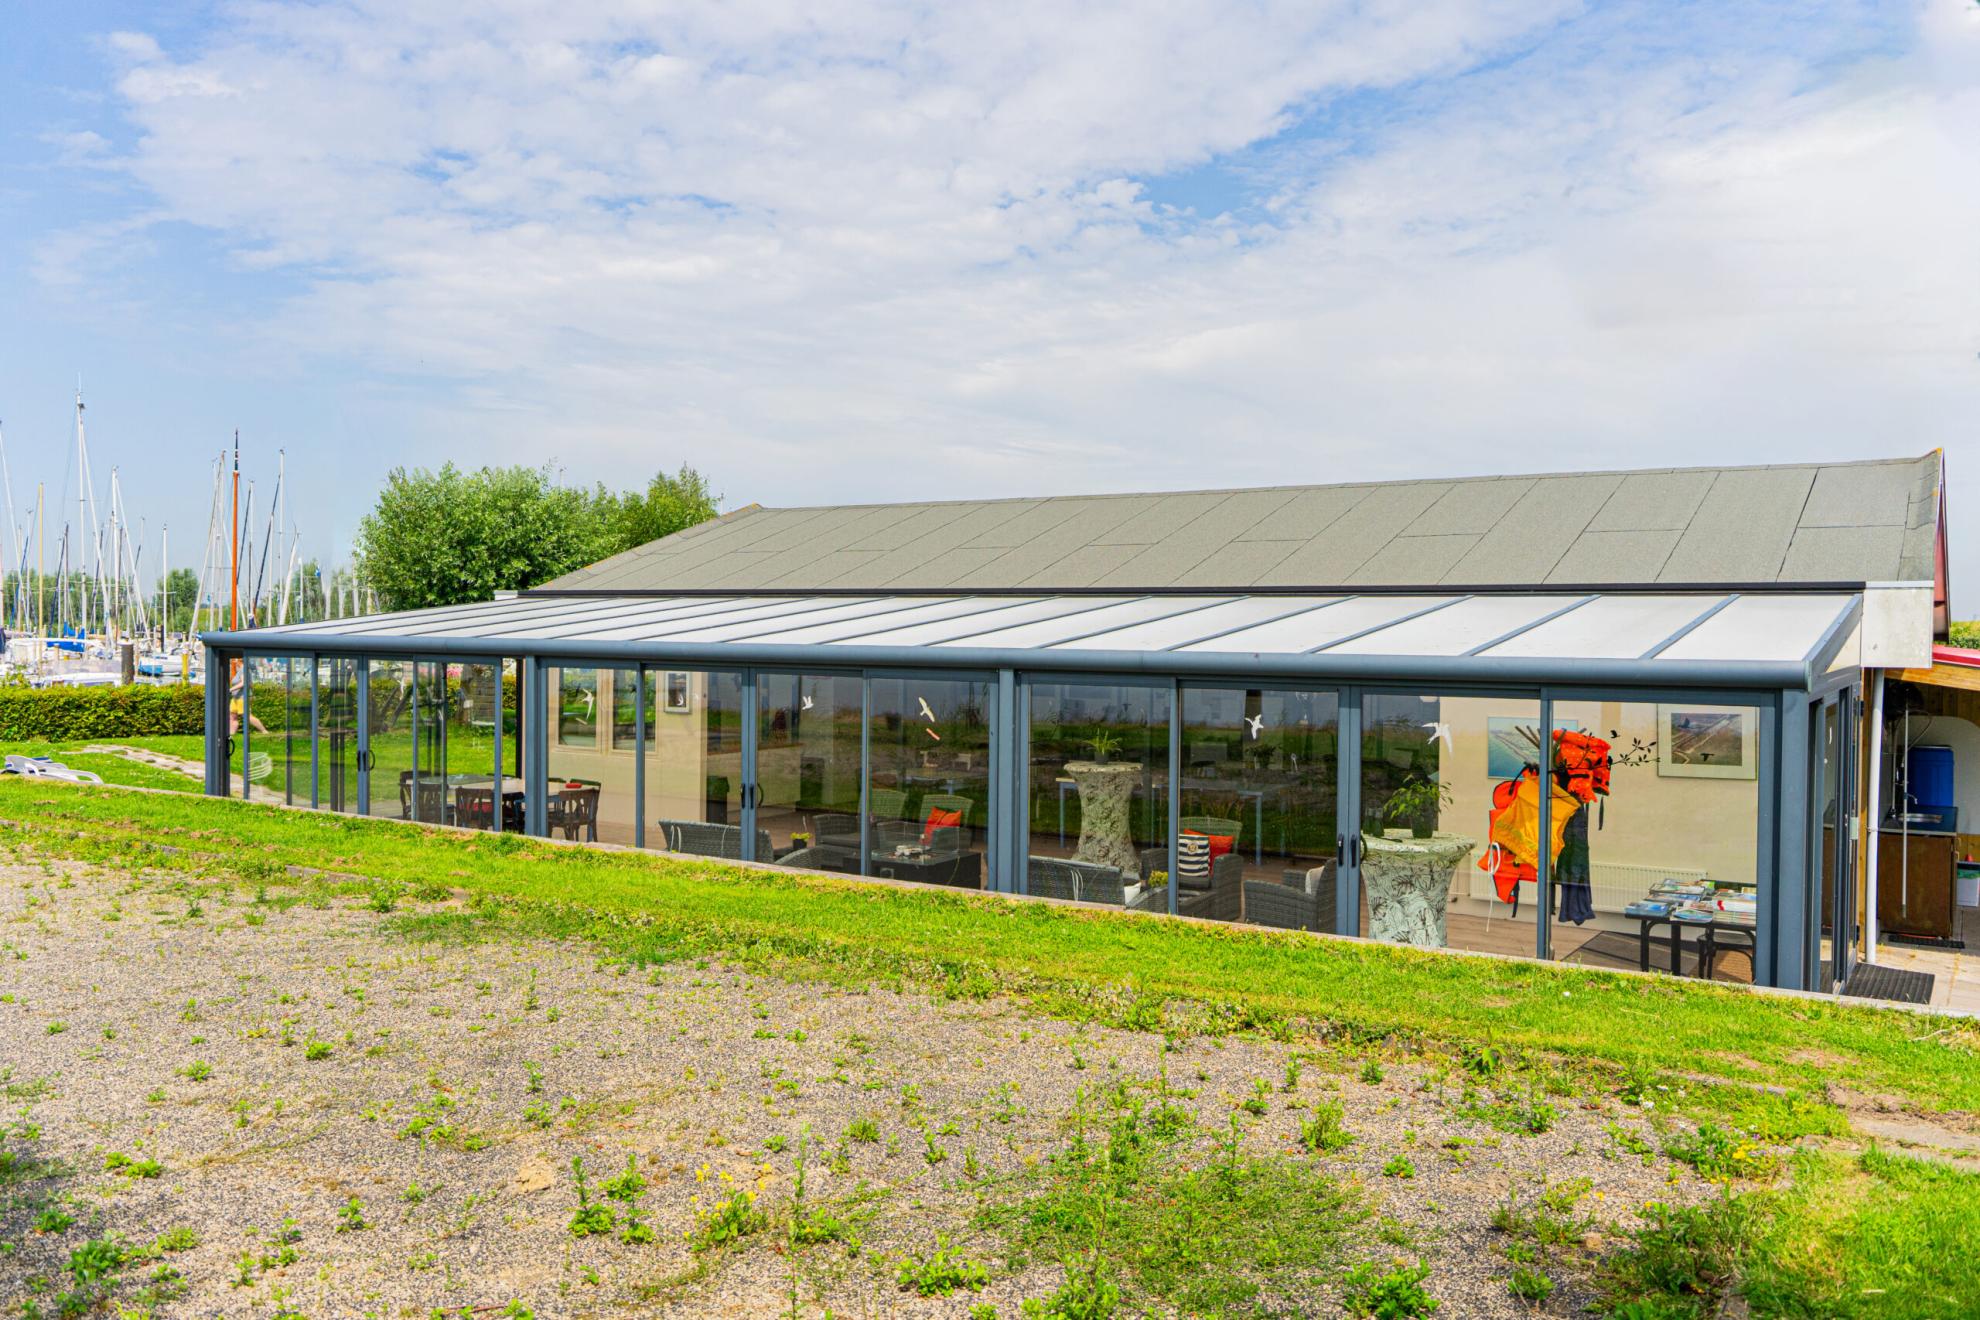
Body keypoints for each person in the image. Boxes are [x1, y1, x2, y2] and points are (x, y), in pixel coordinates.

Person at [228, 660, 269, 735]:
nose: (232, 661)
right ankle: (231, 734)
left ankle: (264, 731)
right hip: (235, 698)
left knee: (247, 716)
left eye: (234, 659)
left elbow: (243, 683)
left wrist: (230, 690)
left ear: (239, 661)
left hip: (242, 697)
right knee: (232, 717)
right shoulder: (239, 670)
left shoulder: (244, 669)